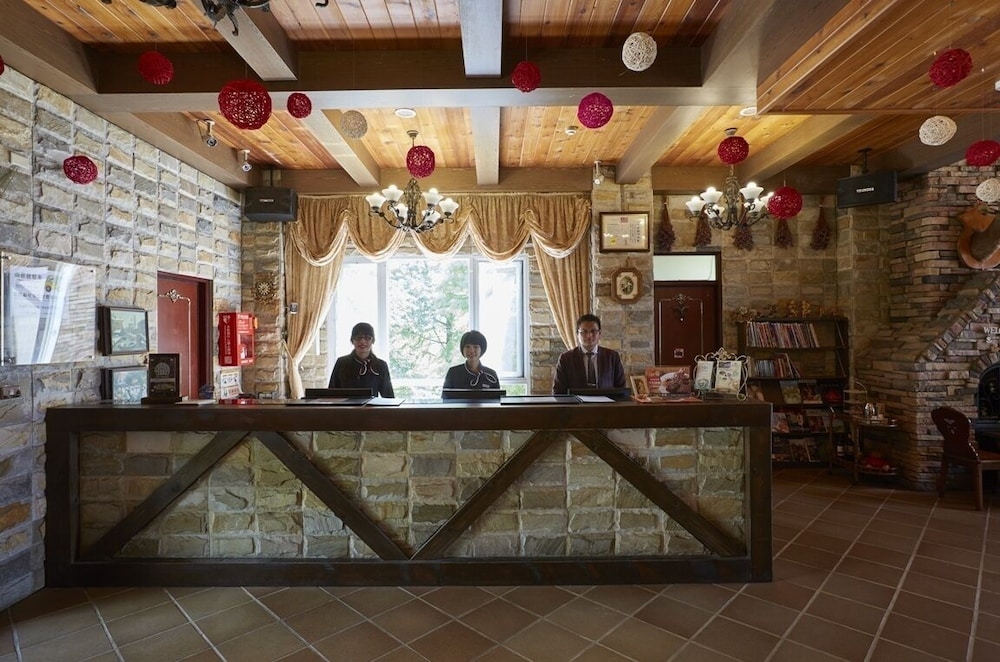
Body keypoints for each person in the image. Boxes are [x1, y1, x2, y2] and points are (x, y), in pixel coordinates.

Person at [552, 313, 626, 394]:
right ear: (577, 334)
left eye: (593, 331)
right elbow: (558, 391)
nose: (589, 335)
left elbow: (621, 388)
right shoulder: (566, 358)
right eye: (584, 332)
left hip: (606, 401)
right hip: (575, 402)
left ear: (599, 334)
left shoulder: (612, 357)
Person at [328, 322, 394, 397]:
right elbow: (331, 393)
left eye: (367, 338)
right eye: (358, 338)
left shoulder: (380, 365)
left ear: (373, 341)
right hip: (345, 405)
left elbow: (388, 396)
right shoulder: (341, 363)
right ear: (352, 340)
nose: (362, 341)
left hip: (371, 405)